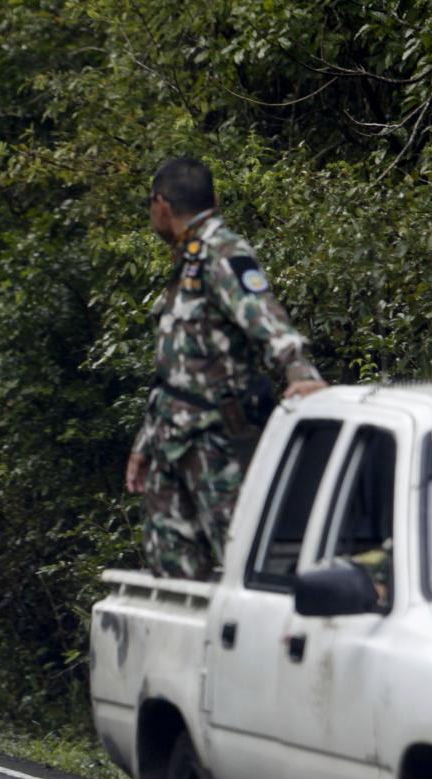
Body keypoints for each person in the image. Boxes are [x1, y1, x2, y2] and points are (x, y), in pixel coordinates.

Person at [125, 157, 327, 580]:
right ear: (213, 199)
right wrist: (146, 439)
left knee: (246, 561)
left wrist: (300, 371)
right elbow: (176, 367)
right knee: (172, 569)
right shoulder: (188, 260)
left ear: (161, 205)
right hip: (172, 441)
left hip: (217, 441)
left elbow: (263, 316)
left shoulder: (223, 251)